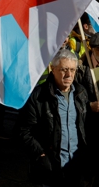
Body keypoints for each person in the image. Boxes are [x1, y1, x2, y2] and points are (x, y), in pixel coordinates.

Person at [18, 49, 91, 186]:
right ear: (53, 68)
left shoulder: (81, 94)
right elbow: (23, 131)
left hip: (76, 166)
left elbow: (85, 127)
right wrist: (41, 155)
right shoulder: (39, 96)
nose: (69, 74)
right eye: (64, 69)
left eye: (72, 70)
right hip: (50, 170)